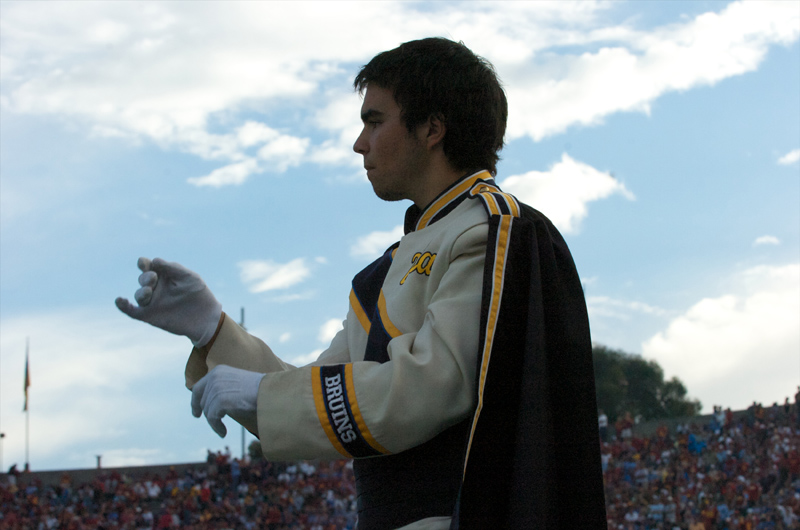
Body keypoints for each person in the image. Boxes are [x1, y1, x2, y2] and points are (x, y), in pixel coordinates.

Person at [116, 37, 606, 529]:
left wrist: (262, 394)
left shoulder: (495, 229)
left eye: (374, 121)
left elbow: (430, 387)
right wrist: (212, 331)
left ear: (432, 128)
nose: (360, 143)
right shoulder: (382, 272)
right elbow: (315, 403)